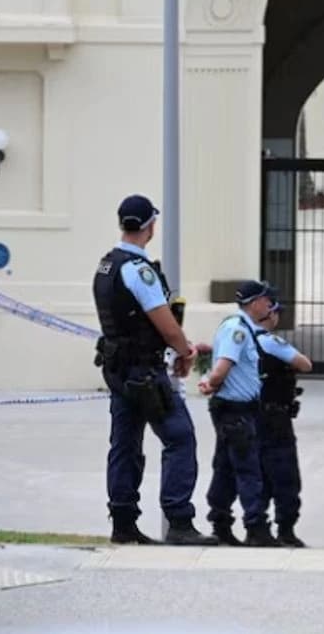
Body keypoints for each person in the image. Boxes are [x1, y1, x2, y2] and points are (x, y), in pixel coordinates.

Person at [92, 194, 216, 546]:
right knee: (180, 437)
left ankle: (123, 523)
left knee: (125, 444)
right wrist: (185, 352)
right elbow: (165, 323)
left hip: (118, 369)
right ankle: (179, 521)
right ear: (150, 226)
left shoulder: (106, 265)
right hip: (144, 372)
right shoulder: (139, 270)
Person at [199, 280, 281, 547]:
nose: (270, 305)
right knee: (248, 470)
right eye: (267, 301)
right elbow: (222, 368)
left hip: (233, 410)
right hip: (236, 412)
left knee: (225, 467)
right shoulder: (238, 330)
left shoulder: (239, 327)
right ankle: (256, 527)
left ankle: (221, 523)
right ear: (255, 303)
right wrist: (211, 382)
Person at [255, 299, 314, 548]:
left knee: (256, 472)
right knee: (284, 473)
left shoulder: (240, 337)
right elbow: (305, 364)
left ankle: (256, 526)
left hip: (250, 416)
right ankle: (285, 530)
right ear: (271, 316)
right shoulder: (271, 342)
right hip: (275, 417)